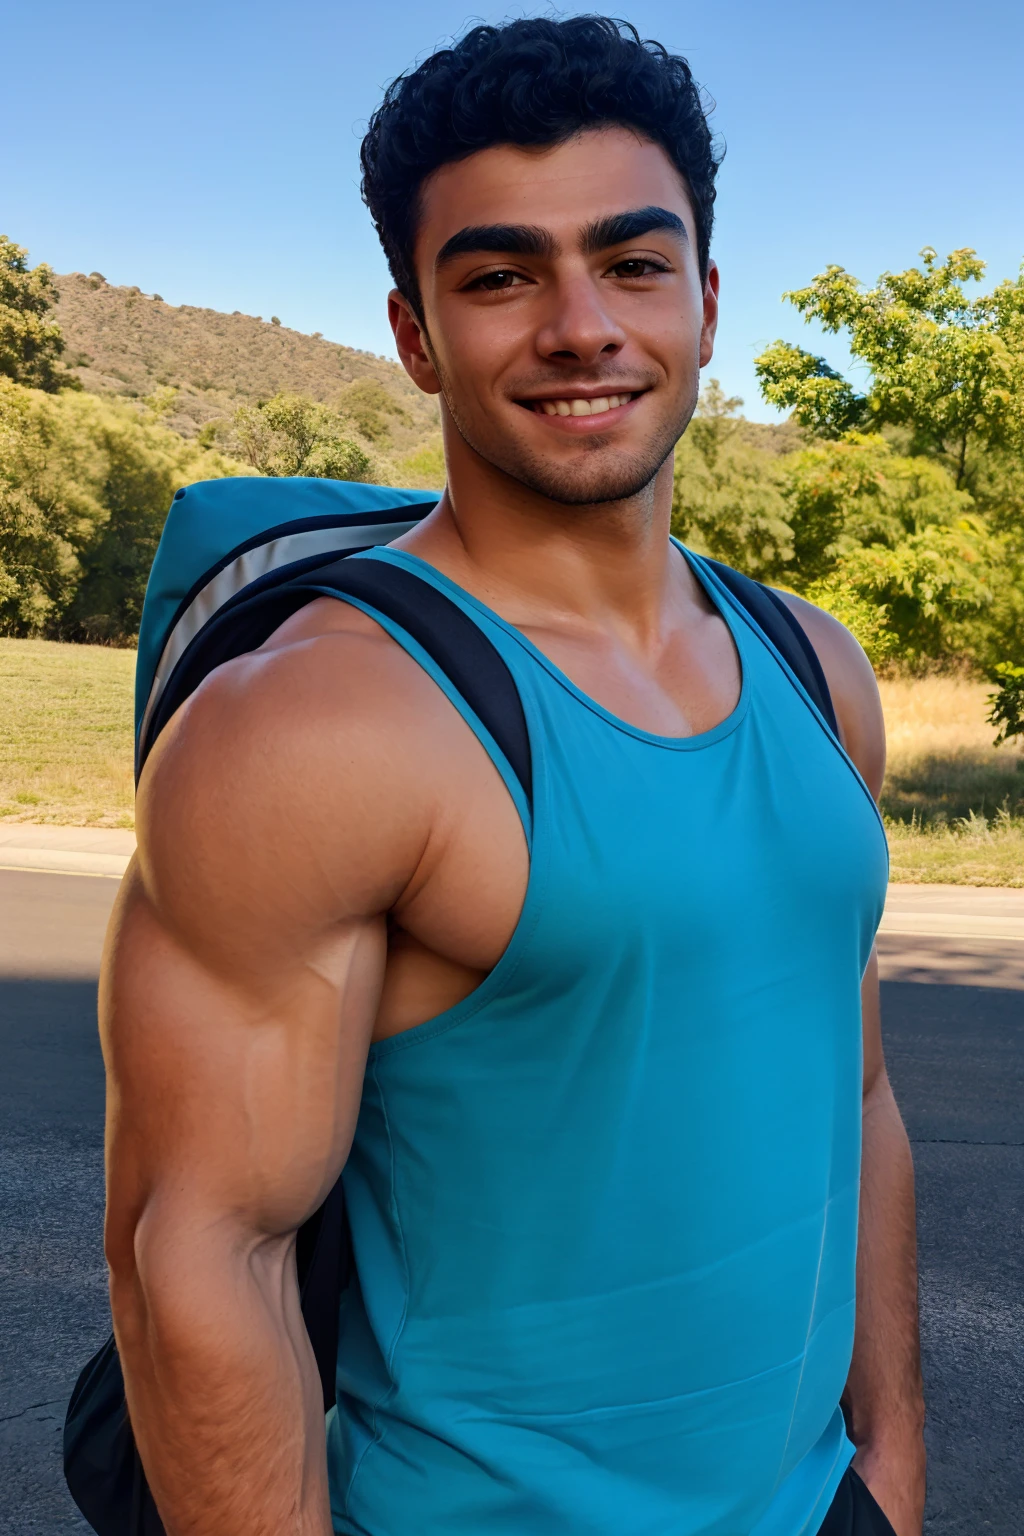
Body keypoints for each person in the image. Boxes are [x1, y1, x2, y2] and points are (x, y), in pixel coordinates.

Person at [101, 16, 925, 1536]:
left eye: (631, 262)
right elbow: (198, 1252)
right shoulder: (313, 729)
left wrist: (894, 1460)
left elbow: (856, 1089)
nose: (580, 326)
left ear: (704, 297)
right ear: (417, 335)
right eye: (498, 277)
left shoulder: (820, 668)